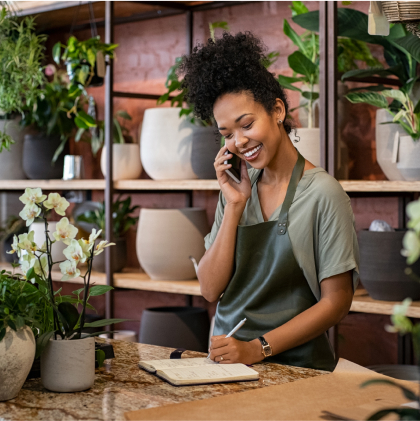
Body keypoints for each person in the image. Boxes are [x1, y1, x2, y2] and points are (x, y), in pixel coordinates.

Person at [178, 32, 359, 372]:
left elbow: (337, 302)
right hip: (227, 363)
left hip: (297, 367)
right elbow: (209, 288)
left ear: (277, 110)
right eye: (227, 133)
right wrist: (234, 206)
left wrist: (257, 349)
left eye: (246, 124)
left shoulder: (323, 193)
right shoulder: (235, 190)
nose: (239, 142)